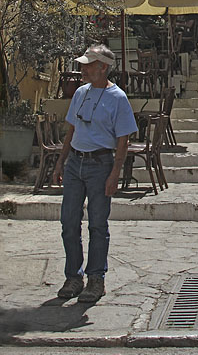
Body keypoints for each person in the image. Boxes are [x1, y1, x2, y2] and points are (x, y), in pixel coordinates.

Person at [53, 43, 137, 303]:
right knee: (69, 222)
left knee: (98, 225)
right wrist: (60, 161)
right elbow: (72, 130)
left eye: (88, 65)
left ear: (102, 68)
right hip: (75, 164)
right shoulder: (80, 93)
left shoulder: (118, 98)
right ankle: (73, 277)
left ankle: (96, 279)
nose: (82, 69)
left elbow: (123, 140)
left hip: (100, 164)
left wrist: (115, 174)